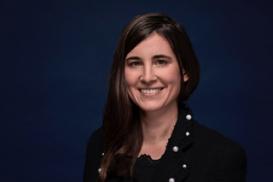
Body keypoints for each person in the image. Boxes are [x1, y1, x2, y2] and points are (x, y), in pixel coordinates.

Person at [83, 13, 247, 182]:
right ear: (122, 73)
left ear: (185, 71)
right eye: (135, 63)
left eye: (160, 61)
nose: (147, 77)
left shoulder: (222, 157)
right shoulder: (100, 144)